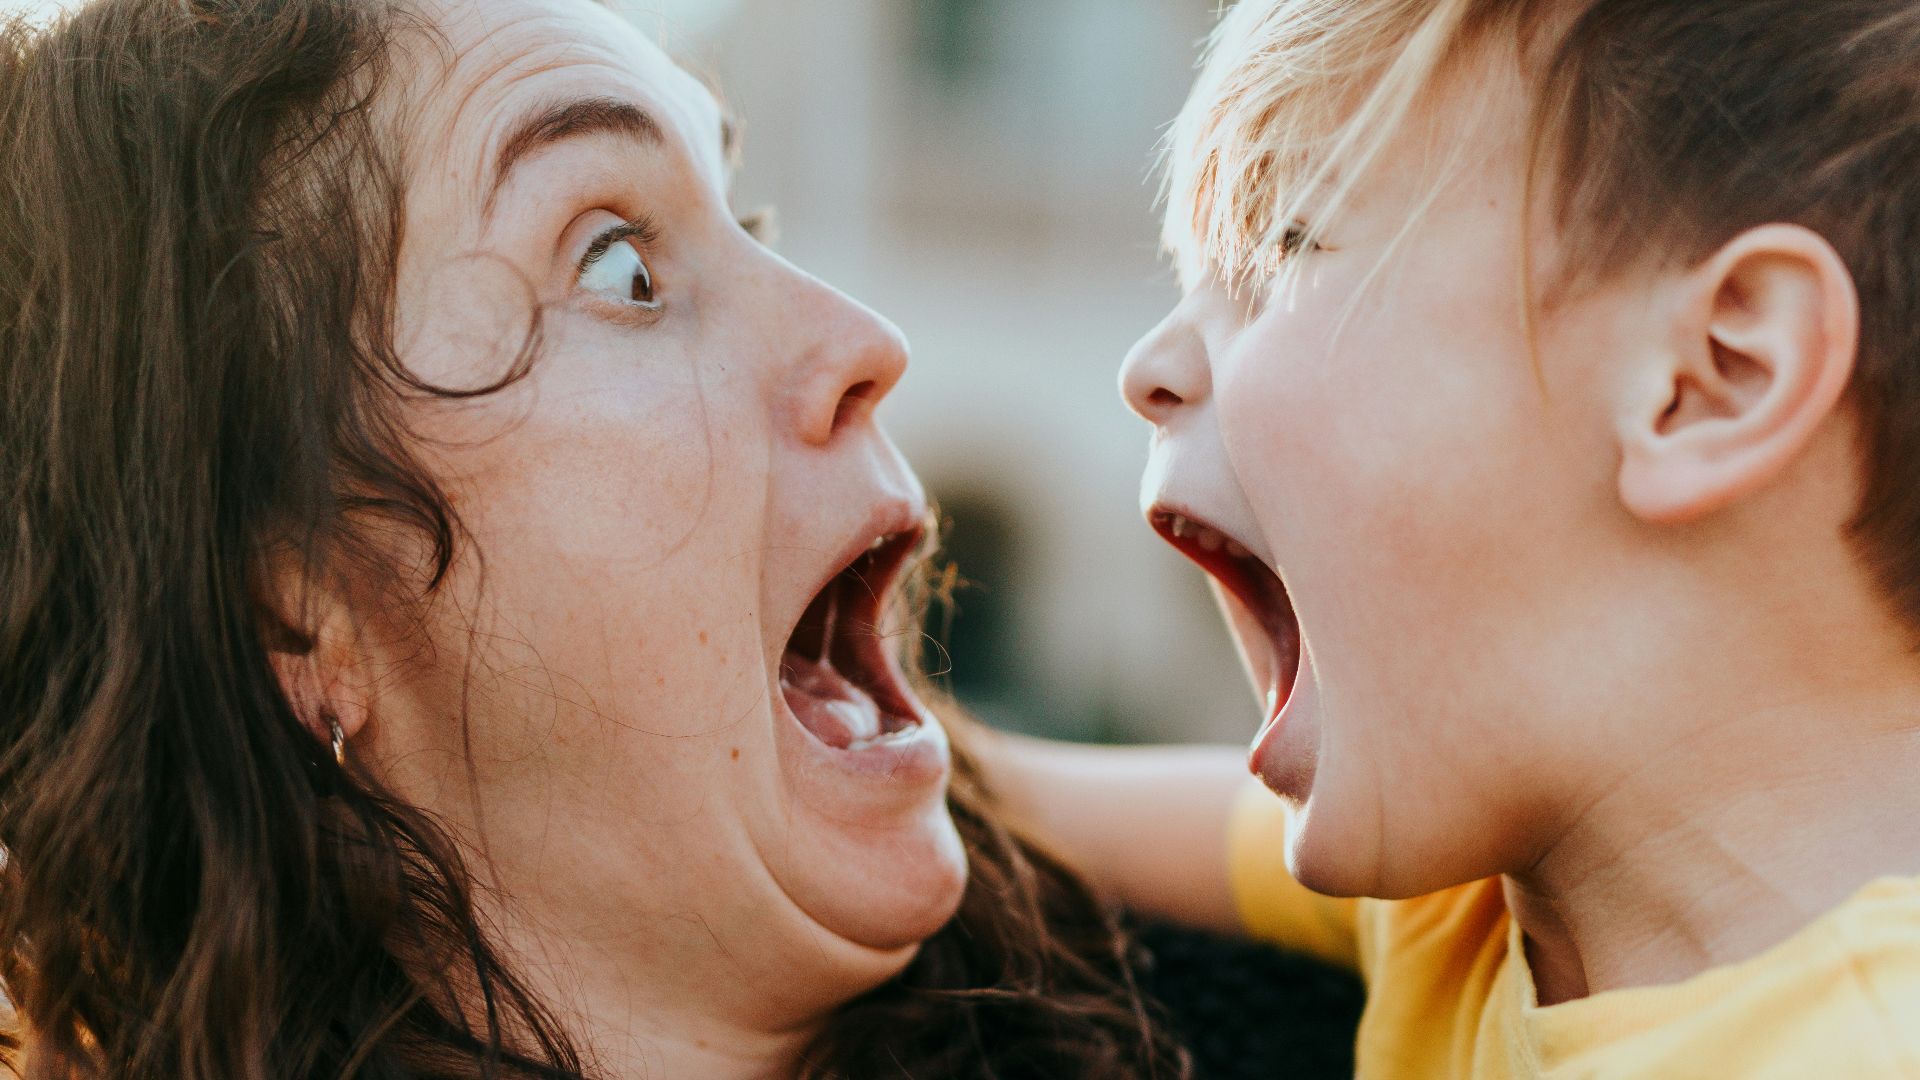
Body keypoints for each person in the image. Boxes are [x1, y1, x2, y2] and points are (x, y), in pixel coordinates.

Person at [0, 1, 1188, 1076]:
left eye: (749, 220)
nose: (866, 339)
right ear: (295, 615)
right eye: (622, 267)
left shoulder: (1246, 1006)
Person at [987, 0, 1920, 1074]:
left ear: (1713, 376)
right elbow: (996, 798)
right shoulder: (1463, 897)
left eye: (1284, 247)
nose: (1146, 365)